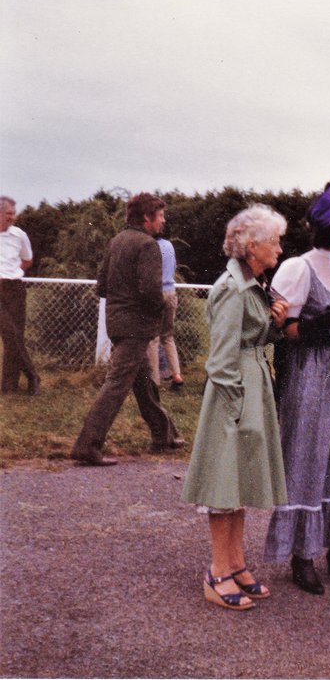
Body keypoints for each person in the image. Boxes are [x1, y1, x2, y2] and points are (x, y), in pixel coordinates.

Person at [263, 179, 330, 593]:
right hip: (312, 369)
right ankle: (302, 555)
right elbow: (282, 327)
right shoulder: (299, 266)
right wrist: (313, 327)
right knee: (308, 452)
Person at [180, 204, 289, 611]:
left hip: (253, 384)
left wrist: (275, 323)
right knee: (225, 484)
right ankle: (217, 571)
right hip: (235, 392)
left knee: (239, 481)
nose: (279, 248)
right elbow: (221, 360)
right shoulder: (231, 287)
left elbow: (254, 340)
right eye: (274, 241)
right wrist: (237, 409)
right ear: (252, 245)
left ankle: (237, 564)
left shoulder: (256, 283)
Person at [71, 193, 184, 467]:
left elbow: (101, 287)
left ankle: (164, 435)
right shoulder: (148, 246)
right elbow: (150, 291)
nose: (163, 221)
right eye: (160, 216)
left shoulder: (116, 241)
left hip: (118, 323)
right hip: (137, 327)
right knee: (116, 385)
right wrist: (158, 310)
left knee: (143, 383)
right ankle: (87, 446)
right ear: (147, 218)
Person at [0, 196, 41, 395]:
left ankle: (9, 387)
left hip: (14, 289)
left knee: (14, 337)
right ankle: (33, 376)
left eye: (13, 214)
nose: (12, 218)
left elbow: (27, 260)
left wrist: (11, 273)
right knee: (10, 333)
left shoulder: (19, 235)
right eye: (9, 214)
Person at [145, 233, 184, 390]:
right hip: (171, 292)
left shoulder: (149, 246)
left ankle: (154, 381)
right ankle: (176, 375)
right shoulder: (169, 245)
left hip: (157, 293)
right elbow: (173, 266)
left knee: (153, 338)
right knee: (168, 336)